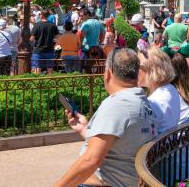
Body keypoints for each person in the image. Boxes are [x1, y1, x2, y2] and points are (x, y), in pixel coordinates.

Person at [54, 48, 158, 187]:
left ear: (108, 73)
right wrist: (85, 129)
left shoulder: (117, 104)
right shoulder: (142, 101)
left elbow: (91, 160)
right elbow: (121, 143)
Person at [140, 48, 187, 133]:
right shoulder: (171, 88)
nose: (135, 71)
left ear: (150, 70)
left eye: (139, 67)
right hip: (170, 142)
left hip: (161, 144)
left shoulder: (154, 100)